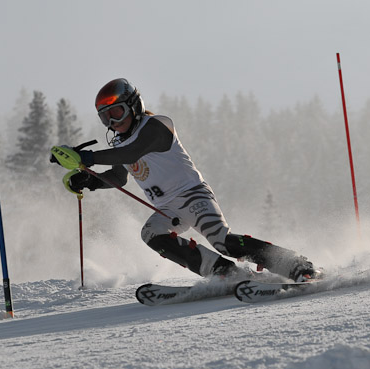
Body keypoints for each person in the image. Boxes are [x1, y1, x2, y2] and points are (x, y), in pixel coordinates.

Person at [51, 78, 320, 282]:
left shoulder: (156, 126)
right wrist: (88, 180)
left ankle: (295, 264)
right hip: (167, 207)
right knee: (151, 234)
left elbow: (131, 153)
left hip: (193, 195)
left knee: (222, 241)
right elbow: (118, 177)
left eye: (117, 113)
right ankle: (224, 274)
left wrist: (85, 157)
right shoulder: (122, 141)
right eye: (105, 117)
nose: (112, 122)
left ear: (134, 106)